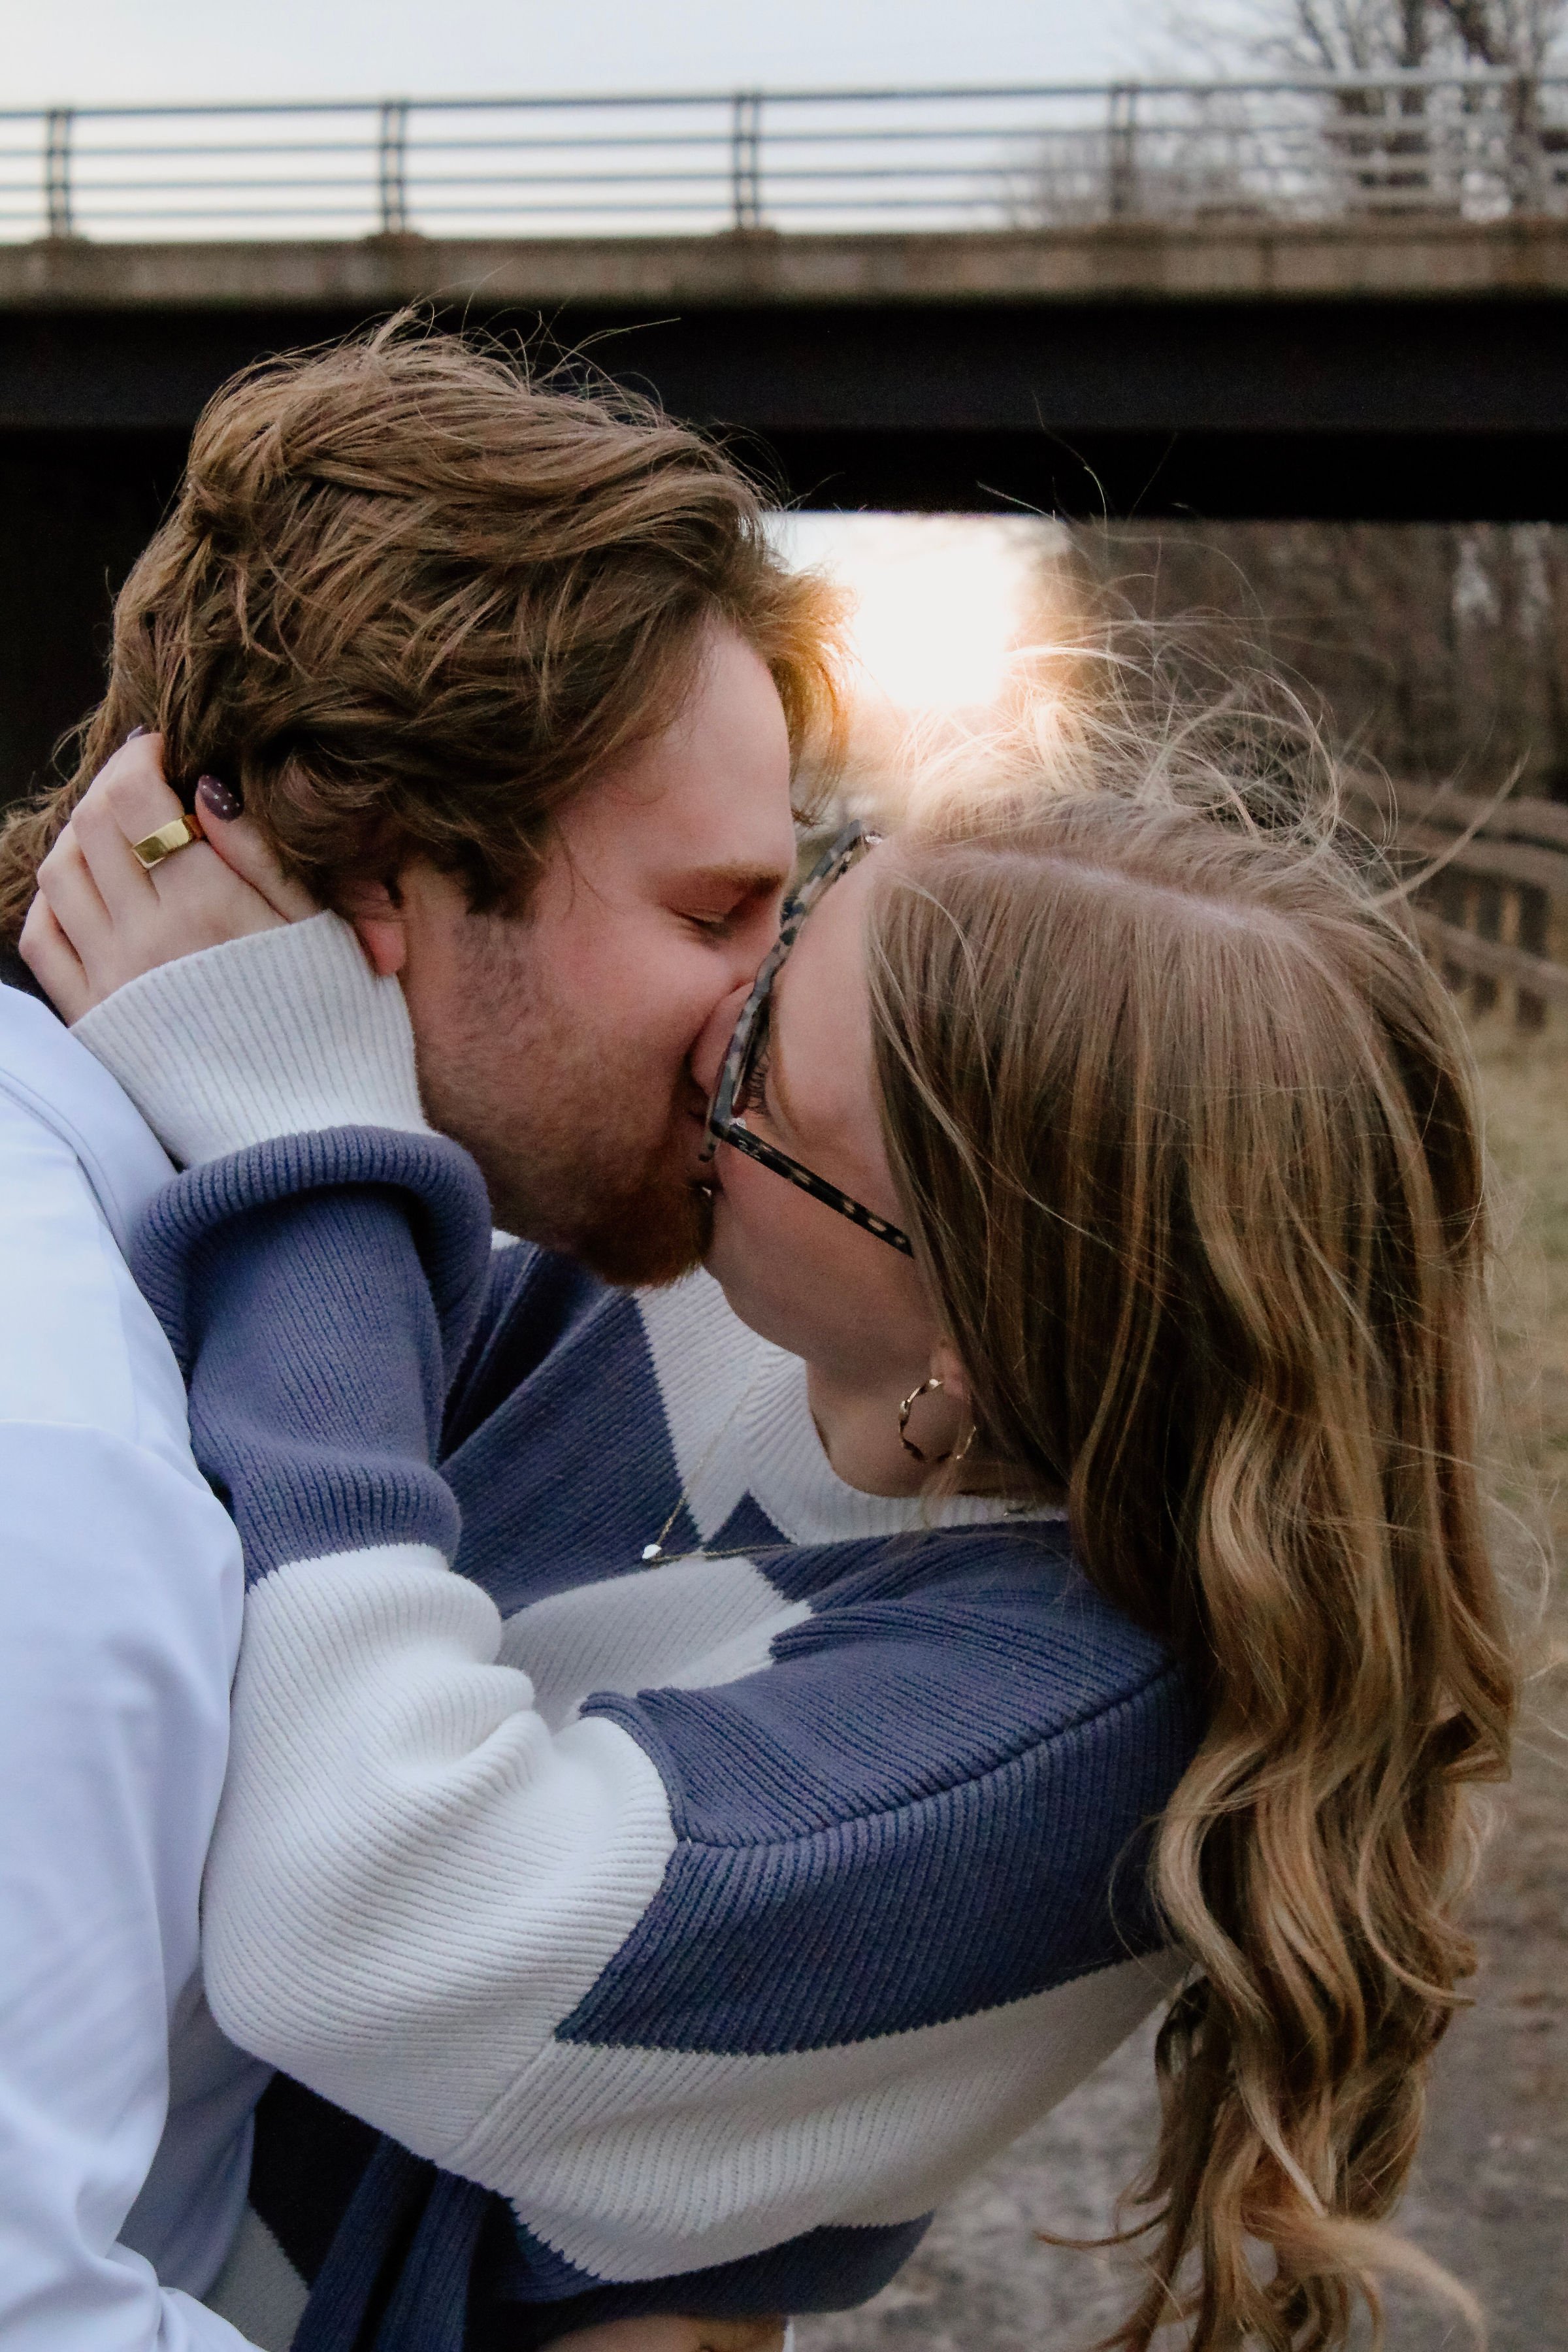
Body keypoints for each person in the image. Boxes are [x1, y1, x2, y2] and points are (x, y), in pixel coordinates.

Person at [26, 683, 1514, 2352]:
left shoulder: (1045, 1750)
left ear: (977, 1327)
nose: (699, 1047)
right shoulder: (772, 1282)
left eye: (762, 1097)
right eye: (782, 922)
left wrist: (309, 1145)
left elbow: (355, 1920)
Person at [0, 314, 841, 2352]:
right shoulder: (58, 1478)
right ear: (390, 896)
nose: (771, 1014)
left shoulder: (201, 1273)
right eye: (717, 917)